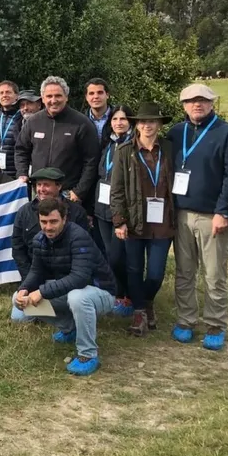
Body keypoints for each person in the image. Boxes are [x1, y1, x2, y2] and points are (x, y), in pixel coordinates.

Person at [169, 83, 228, 350]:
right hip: (181, 214)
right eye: (190, 101)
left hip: (213, 216)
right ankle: (186, 320)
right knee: (184, 272)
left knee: (214, 273)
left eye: (202, 100)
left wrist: (223, 211)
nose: (196, 105)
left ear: (212, 103)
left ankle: (215, 324)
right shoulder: (177, 133)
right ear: (183, 105)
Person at [12, 198, 117, 376]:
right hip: (70, 290)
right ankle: (69, 328)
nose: (48, 227)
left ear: (64, 219)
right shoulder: (39, 239)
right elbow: (36, 272)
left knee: (78, 297)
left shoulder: (78, 236)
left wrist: (42, 292)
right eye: (43, 222)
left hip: (101, 292)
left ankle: (88, 354)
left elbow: (80, 278)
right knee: (18, 302)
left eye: (53, 221)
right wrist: (25, 288)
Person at [110, 103, 176, 337]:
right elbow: (116, 190)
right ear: (136, 124)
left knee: (156, 272)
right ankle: (139, 313)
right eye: (142, 121)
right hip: (135, 220)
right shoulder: (125, 151)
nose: (147, 125)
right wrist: (119, 221)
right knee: (134, 269)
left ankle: (146, 301)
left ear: (159, 124)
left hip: (163, 221)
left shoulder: (169, 148)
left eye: (151, 121)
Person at [14, 76, 99, 203]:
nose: (53, 100)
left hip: (68, 194)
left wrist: (79, 191)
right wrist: (22, 173)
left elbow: (91, 161)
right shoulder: (33, 122)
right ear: (42, 99)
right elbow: (21, 150)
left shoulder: (82, 123)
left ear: (66, 97)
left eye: (58, 96)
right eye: (49, 96)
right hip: (39, 193)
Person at [11, 168, 89, 284]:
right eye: (39, 185)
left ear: (59, 186)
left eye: (46, 185)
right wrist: (29, 279)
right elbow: (18, 249)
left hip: (68, 280)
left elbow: (83, 251)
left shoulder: (77, 212)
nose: (42, 189)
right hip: (35, 278)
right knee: (17, 300)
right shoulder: (24, 212)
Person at [94, 105, 134, 317]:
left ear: (130, 122)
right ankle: (116, 294)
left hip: (122, 208)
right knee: (109, 255)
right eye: (115, 119)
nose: (119, 122)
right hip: (102, 207)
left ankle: (128, 295)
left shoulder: (133, 145)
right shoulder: (108, 144)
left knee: (120, 256)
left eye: (123, 119)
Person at [0, 81, 23, 178]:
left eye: (8, 92)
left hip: (16, 173)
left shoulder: (21, 117)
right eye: (1, 93)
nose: (4, 95)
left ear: (17, 96)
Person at [84, 78, 113, 144]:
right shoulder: (80, 121)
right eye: (91, 93)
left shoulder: (119, 118)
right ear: (86, 97)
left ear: (107, 95)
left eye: (100, 92)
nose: (96, 96)